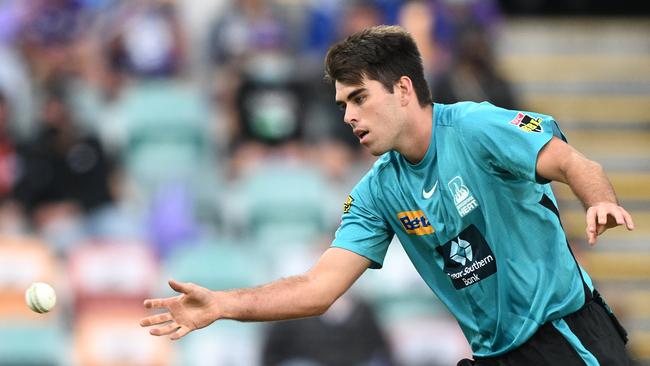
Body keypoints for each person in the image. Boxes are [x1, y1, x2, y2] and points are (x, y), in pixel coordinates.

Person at [140, 25, 635, 365]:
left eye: (359, 98)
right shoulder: (378, 189)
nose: (348, 116)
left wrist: (599, 200)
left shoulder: (477, 127)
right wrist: (224, 304)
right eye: (342, 104)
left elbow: (573, 163)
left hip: (567, 339)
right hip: (495, 355)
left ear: (402, 89)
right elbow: (318, 289)